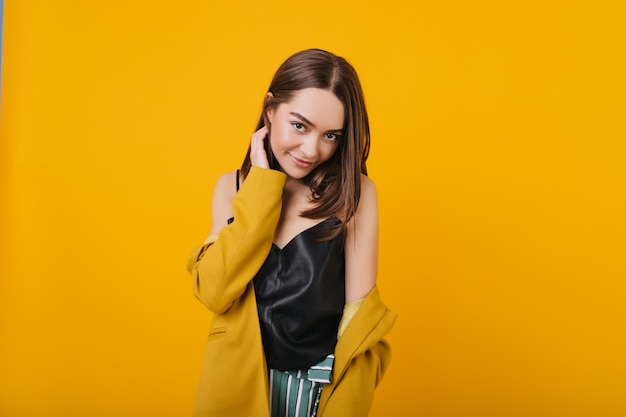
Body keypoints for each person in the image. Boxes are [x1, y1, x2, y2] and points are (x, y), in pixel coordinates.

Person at [187, 48, 396, 417]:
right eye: (299, 125)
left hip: (318, 390)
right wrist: (262, 187)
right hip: (238, 383)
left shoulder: (356, 195)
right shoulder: (231, 187)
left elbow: (358, 326)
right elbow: (216, 292)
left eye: (331, 135)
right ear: (270, 110)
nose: (312, 149)